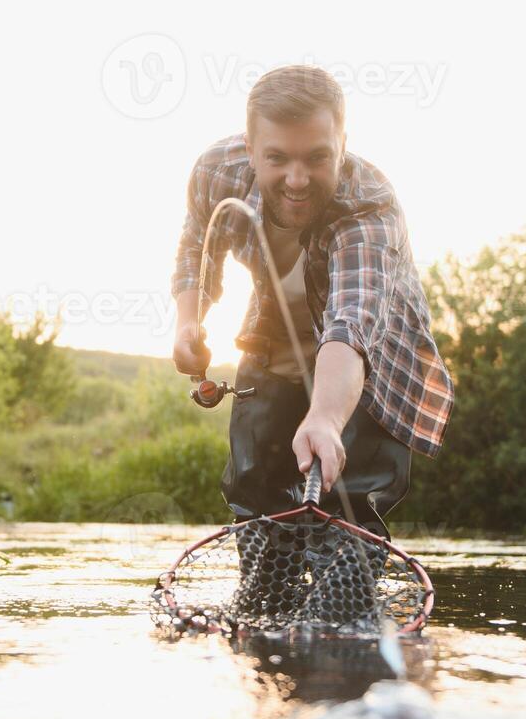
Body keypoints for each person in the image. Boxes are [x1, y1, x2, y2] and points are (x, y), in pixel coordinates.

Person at [170, 65, 454, 539]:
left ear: (342, 145)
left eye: (317, 158)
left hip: (368, 364)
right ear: (250, 148)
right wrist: (187, 323)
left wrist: (323, 417)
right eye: (278, 158)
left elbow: (350, 320)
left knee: (346, 518)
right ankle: (262, 607)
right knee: (255, 506)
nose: (297, 180)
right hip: (272, 344)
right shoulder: (215, 171)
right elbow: (195, 246)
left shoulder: (370, 201)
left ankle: (348, 608)